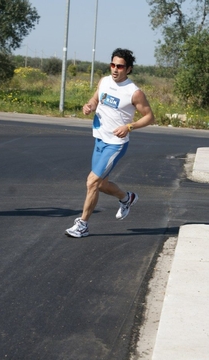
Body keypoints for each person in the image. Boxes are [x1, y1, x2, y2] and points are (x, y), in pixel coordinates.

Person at [65, 48, 154, 238]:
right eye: (113, 65)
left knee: (92, 182)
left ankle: (82, 225)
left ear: (128, 69)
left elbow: (149, 117)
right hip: (99, 138)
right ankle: (126, 197)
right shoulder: (104, 81)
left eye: (120, 66)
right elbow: (96, 98)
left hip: (116, 143)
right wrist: (89, 106)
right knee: (102, 184)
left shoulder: (134, 92)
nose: (115, 69)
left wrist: (129, 126)